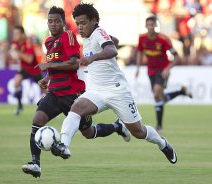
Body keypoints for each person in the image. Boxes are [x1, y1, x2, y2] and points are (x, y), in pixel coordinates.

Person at [51, 3, 177, 165]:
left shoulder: (98, 32)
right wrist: (108, 42)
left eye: (83, 23)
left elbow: (112, 50)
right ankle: (63, 145)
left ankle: (163, 144)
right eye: (77, 24)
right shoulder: (89, 36)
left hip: (117, 91)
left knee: (139, 132)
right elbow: (114, 41)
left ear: (94, 21)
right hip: (96, 91)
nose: (80, 27)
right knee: (76, 108)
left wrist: (93, 57)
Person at [21, 6, 131, 178]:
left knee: (88, 133)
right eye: (50, 21)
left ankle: (118, 126)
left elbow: (73, 63)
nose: (53, 24)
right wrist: (48, 78)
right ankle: (35, 163)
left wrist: (48, 66)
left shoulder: (69, 36)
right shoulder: (48, 42)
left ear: (64, 23)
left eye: (57, 21)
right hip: (55, 93)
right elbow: (58, 64)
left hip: (72, 94)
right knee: (37, 120)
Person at [135, 16, 192, 131]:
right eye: (148, 25)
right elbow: (140, 52)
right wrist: (137, 68)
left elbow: (176, 57)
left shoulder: (163, 40)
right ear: (146, 26)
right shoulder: (142, 38)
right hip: (150, 70)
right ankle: (181, 91)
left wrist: (168, 69)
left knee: (156, 94)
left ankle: (159, 126)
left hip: (162, 70)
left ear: (156, 26)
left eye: (152, 25)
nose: (150, 27)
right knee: (160, 98)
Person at [9, 25, 43, 115]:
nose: (14, 36)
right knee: (16, 82)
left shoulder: (28, 42)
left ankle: (52, 107)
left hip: (34, 69)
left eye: (16, 34)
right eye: (14, 34)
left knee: (44, 89)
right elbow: (13, 54)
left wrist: (17, 53)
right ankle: (19, 106)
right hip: (24, 68)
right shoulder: (15, 43)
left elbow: (29, 60)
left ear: (22, 34)